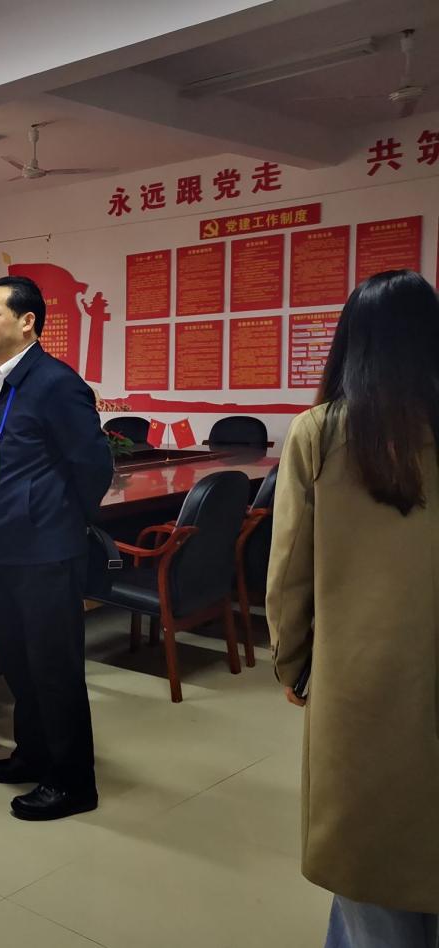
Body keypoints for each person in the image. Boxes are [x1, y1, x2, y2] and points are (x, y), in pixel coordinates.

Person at [268, 270, 439, 948]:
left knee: (369, 873)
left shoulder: (319, 432)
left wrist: (293, 664)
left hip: (358, 685)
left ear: (350, 343)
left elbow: (288, 571)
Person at [0, 276, 113, 821]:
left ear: (27, 321)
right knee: (18, 661)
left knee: (55, 667)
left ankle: (73, 783)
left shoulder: (57, 383)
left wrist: (62, 519)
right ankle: (34, 754)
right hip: (6, 546)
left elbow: (93, 464)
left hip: (48, 549)